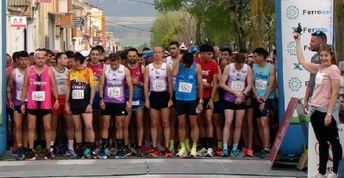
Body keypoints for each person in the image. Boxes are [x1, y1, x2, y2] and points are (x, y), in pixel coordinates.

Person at [294, 33, 342, 178]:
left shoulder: (333, 69)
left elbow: (335, 93)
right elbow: (302, 61)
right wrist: (297, 41)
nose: (323, 58)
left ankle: (335, 171)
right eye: (321, 56)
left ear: (331, 56)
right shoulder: (319, 68)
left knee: (333, 141)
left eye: (326, 56)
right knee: (321, 142)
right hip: (314, 110)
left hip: (326, 110)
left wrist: (329, 113)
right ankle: (321, 172)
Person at [20, 51, 59, 160]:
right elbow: (24, 87)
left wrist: (56, 99)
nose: (41, 60)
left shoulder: (49, 70)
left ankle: (48, 150)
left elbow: (54, 86)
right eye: (39, 58)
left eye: (43, 58)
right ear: (34, 59)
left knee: (47, 127)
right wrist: (23, 102)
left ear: (45, 59)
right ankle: (31, 150)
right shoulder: (29, 70)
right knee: (31, 127)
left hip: (46, 104)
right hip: (32, 104)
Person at [98, 52, 133, 159]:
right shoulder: (105, 69)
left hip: (120, 102)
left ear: (119, 61)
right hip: (108, 101)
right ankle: (103, 149)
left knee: (119, 125)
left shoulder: (125, 70)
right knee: (105, 125)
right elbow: (101, 85)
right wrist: (101, 99)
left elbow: (130, 86)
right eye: (111, 64)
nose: (113, 66)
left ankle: (120, 150)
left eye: (115, 65)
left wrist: (130, 101)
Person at [220, 53, 253, 157]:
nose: (238, 67)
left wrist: (242, 95)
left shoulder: (247, 68)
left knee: (239, 124)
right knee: (228, 122)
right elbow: (222, 83)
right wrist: (234, 92)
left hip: (240, 100)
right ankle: (225, 148)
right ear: (234, 61)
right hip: (229, 98)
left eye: (240, 65)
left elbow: (250, 85)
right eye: (237, 65)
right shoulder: (228, 67)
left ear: (244, 62)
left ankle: (234, 148)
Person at [65, 52, 96, 159]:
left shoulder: (88, 71)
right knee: (77, 127)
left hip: (85, 103)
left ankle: (91, 148)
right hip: (74, 103)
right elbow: (68, 88)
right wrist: (66, 104)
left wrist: (90, 104)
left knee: (88, 125)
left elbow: (92, 88)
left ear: (78, 61)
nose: (70, 62)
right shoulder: (71, 72)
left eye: (72, 61)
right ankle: (79, 149)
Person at [144, 46, 173, 157]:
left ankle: (166, 147)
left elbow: (170, 82)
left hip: (164, 95)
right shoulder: (148, 67)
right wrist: (146, 99)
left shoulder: (167, 67)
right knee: (154, 123)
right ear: (153, 54)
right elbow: (146, 83)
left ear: (162, 54)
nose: (157, 54)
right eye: (155, 52)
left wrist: (170, 98)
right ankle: (155, 147)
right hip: (153, 95)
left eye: (159, 52)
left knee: (165, 122)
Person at [172, 52, 203, 158]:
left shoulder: (197, 67)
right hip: (180, 99)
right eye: (186, 64)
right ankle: (183, 148)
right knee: (181, 124)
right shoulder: (179, 65)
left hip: (192, 99)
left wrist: (201, 101)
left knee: (193, 124)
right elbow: (174, 74)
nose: (187, 66)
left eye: (189, 65)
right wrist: (179, 59)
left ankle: (194, 148)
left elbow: (200, 84)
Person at [195, 44, 219, 157]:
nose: (211, 56)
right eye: (209, 54)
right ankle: (203, 146)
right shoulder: (195, 62)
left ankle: (210, 147)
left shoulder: (213, 64)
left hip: (208, 97)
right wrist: (199, 83)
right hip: (195, 97)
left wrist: (211, 99)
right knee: (199, 121)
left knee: (208, 120)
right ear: (202, 53)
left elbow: (215, 83)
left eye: (212, 54)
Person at [252, 47, 276, 159]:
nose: (254, 58)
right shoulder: (254, 66)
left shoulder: (271, 68)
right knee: (258, 123)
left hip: (267, 98)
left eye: (256, 56)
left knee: (264, 121)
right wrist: (256, 96)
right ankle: (263, 146)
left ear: (262, 56)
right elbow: (251, 82)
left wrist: (264, 100)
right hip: (256, 97)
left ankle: (267, 147)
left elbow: (271, 86)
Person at [51, 52, 77, 158]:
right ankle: (51, 148)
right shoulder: (51, 71)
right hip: (55, 100)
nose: (67, 60)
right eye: (65, 58)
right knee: (53, 125)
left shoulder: (69, 72)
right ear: (58, 60)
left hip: (66, 101)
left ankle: (70, 148)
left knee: (70, 124)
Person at [7, 51, 29, 160]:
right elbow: (9, 87)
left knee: (27, 126)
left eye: (25, 59)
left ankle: (26, 147)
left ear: (28, 60)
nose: (23, 62)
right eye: (21, 59)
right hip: (17, 102)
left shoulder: (32, 71)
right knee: (18, 125)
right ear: (18, 60)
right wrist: (10, 100)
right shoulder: (14, 73)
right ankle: (19, 147)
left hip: (30, 102)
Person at [126, 48, 145, 157]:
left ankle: (139, 146)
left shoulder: (142, 68)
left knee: (139, 123)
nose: (132, 58)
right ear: (127, 57)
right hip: (126, 99)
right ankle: (127, 146)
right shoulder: (123, 68)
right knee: (126, 124)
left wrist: (138, 83)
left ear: (137, 57)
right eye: (130, 56)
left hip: (139, 99)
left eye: (134, 56)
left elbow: (146, 84)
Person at [303, 31, 327, 114]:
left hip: (325, 103)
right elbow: (311, 80)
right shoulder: (313, 57)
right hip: (314, 101)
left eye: (313, 41)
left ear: (322, 42)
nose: (310, 43)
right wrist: (305, 100)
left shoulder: (331, 56)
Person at [165, 41, 182, 153]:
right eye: (170, 48)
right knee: (171, 120)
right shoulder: (166, 61)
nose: (172, 51)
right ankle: (171, 144)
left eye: (174, 48)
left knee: (181, 121)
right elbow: (171, 73)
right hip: (170, 92)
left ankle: (181, 144)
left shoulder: (184, 59)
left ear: (178, 49)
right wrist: (178, 60)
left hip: (182, 92)